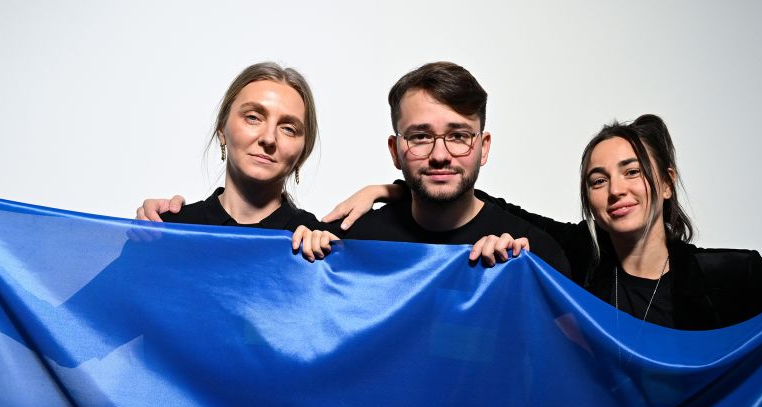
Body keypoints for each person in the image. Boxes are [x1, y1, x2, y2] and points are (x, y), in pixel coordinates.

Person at [327, 114, 762, 329]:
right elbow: (478, 204)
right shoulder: (572, 262)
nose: (616, 189)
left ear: (663, 182)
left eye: (632, 171)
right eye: (597, 179)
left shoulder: (732, 277)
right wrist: (390, 187)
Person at [134, 62, 571, 277]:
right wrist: (140, 244)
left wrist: (524, 274)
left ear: (483, 146)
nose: (440, 154)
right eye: (420, 136)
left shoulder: (534, 252)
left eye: (458, 136)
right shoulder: (345, 241)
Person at [0, 61, 338, 258]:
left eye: (289, 128)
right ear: (222, 130)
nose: (268, 138)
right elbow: (75, 325)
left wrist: (386, 191)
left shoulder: (321, 242)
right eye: (253, 117)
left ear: (301, 152)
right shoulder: (164, 231)